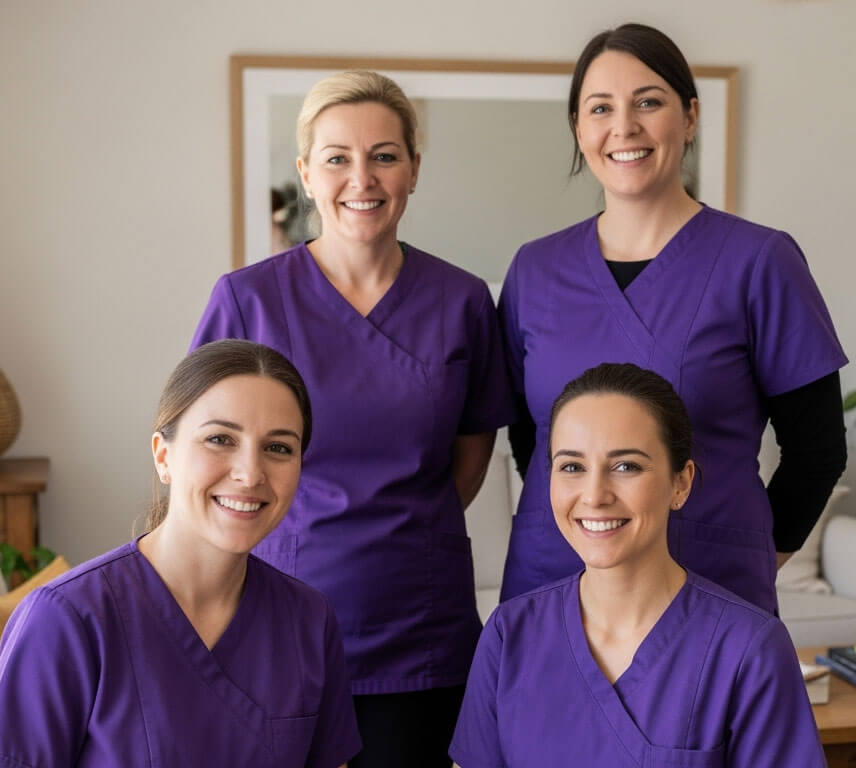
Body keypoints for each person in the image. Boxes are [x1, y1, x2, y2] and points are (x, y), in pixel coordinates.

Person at [191, 71, 514, 767]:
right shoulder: (249, 302)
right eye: (337, 157)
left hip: (419, 628)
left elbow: (469, 460)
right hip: (274, 619)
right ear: (306, 173)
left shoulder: (461, 303)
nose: (361, 178)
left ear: (414, 169)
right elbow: (205, 457)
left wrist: (402, 529)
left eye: (384, 155)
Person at [499, 23, 847, 612]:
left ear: (689, 117)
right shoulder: (535, 270)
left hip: (707, 582)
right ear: (579, 129)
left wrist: (752, 553)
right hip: (550, 583)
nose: (624, 127)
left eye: (648, 102)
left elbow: (817, 450)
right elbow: (531, 439)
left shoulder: (759, 261)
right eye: (600, 107)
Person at [0, 340, 361, 767]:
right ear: (163, 455)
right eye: (220, 439)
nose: (249, 474)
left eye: (278, 447)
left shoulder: (309, 621)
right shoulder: (66, 620)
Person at [451, 363, 826, 767]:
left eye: (626, 466)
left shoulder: (749, 649)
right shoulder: (510, 634)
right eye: (572, 467)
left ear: (680, 483)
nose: (594, 495)